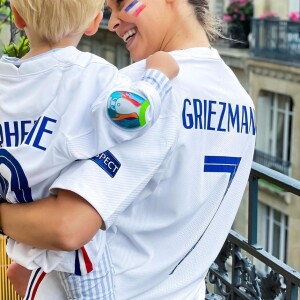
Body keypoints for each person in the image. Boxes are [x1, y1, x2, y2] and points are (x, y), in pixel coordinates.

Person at [0, 0, 256, 299]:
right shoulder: (242, 101)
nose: (113, 22)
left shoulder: (136, 92)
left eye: (121, 3)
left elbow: (67, 226)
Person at [0, 0, 179, 298]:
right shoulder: (92, 75)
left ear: (18, 17)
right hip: (72, 244)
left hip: (22, 226)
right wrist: (157, 77)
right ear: (95, 23)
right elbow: (131, 114)